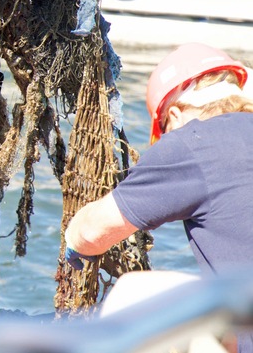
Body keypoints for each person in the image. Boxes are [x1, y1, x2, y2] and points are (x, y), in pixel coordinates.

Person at [63, 42, 253, 353]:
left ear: (175, 115)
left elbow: (92, 233)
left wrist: (74, 233)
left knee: (136, 292)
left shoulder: (192, 142)